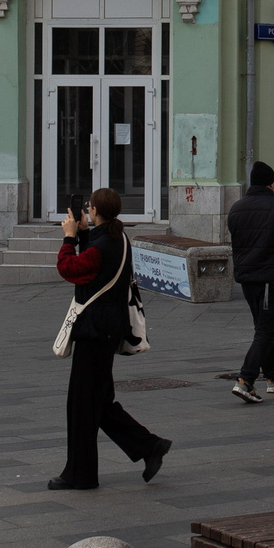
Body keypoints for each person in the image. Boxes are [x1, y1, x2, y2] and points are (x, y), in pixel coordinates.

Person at [51, 188, 170, 490]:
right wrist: (81, 233)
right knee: (99, 402)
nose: (86, 211)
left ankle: (81, 475)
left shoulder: (104, 243)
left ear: (95, 211)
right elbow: (96, 257)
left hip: (95, 330)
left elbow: (72, 268)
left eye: (89, 207)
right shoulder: (117, 237)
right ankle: (149, 446)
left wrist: (67, 238)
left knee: (81, 404)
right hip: (108, 328)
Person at [225, 162, 274, 404]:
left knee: (262, 327)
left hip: (247, 278)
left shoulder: (236, 208)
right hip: (271, 278)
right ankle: (245, 380)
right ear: (271, 184)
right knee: (266, 330)